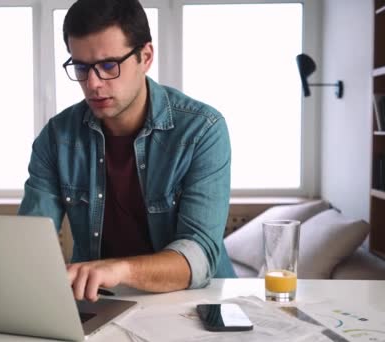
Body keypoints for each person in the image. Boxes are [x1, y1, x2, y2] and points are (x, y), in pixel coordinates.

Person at [18, 0, 236, 302]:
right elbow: (30, 241)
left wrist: (119, 270)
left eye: (109, 65)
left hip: (196, 303)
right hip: (101, 301)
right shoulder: (57, 137)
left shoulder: (202, 130)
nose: (92, 83)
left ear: (145, 57)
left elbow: (198, 253)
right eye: (81, 67)